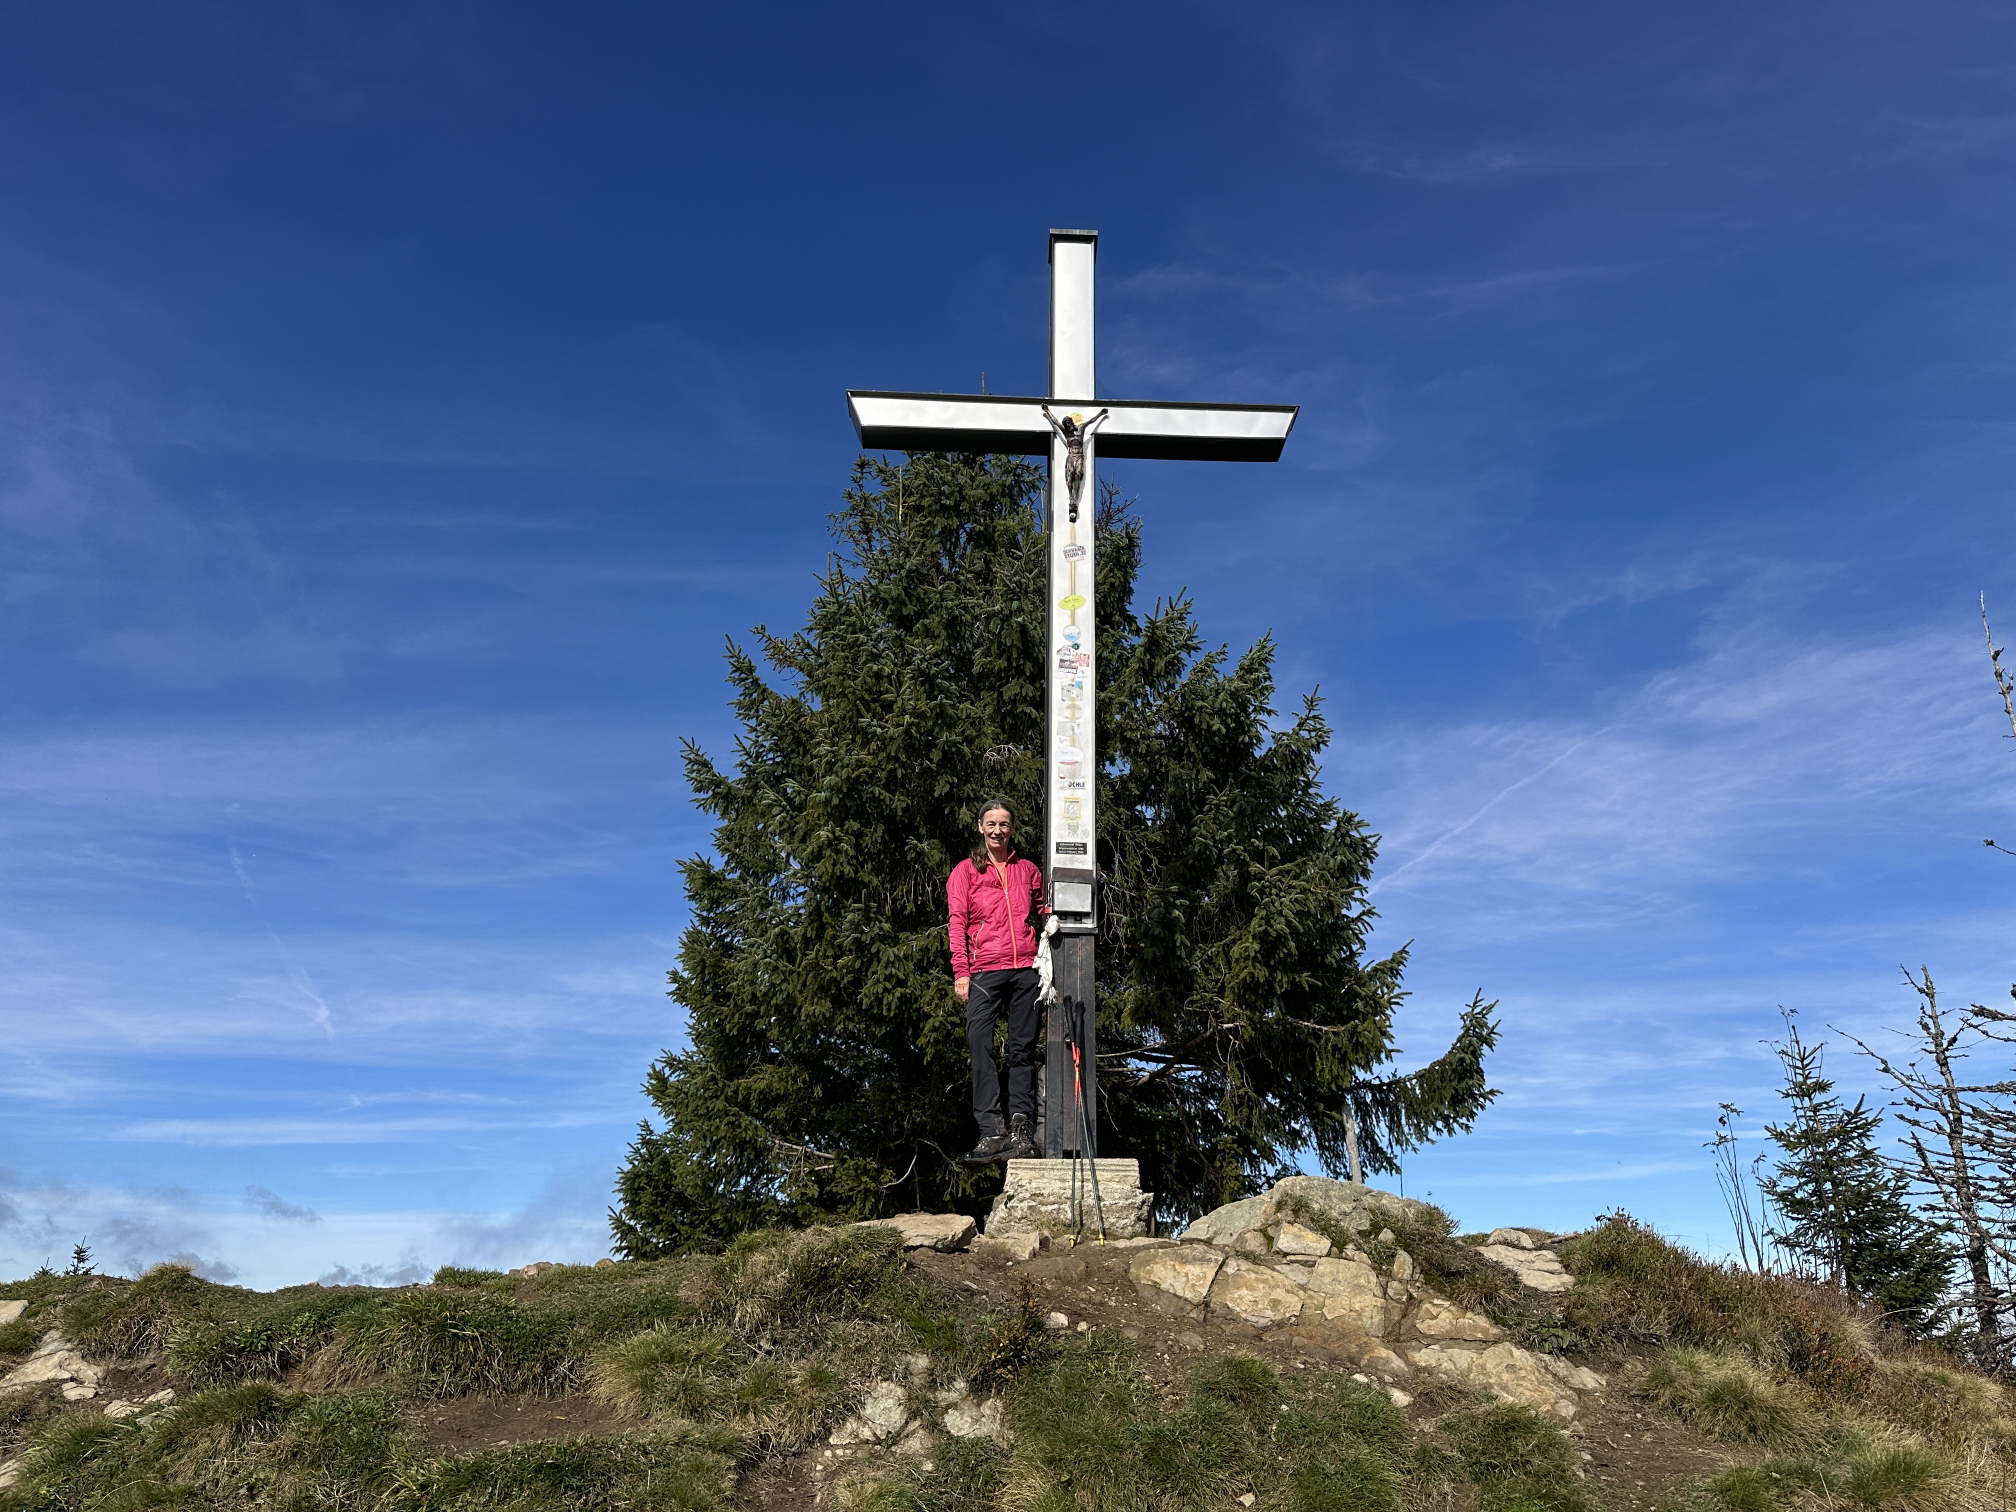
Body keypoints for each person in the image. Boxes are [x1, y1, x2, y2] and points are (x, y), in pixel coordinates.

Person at [947, 799, 1048, 1163]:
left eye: (1004, 824)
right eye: (991, 824)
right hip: (985, 970)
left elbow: (1044, 907)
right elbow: (957, 923)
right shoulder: (965, 871)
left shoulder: (1028, 870)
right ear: (980, 827)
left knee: (1022, 1050)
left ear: (1012, 829)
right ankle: (991, 1131)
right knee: (979, 1044)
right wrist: (961, 971)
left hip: (1026, 970)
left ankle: (1021, 1130)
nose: (997, 830)